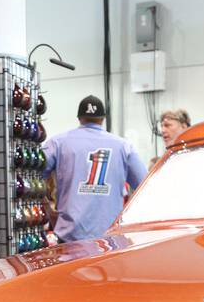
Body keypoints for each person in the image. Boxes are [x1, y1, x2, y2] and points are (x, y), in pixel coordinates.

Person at [42, 95, 148, 243]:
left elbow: (33, 178)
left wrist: (48, 210)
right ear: (102, 119)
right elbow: (145, 187)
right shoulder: (124, 146)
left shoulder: (58, 143)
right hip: (110, 240)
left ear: (79, 118)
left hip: (70, 238)